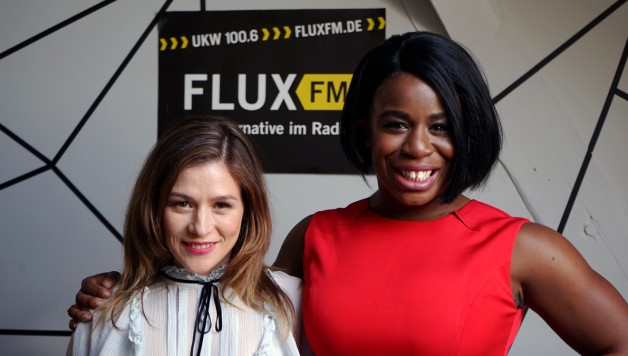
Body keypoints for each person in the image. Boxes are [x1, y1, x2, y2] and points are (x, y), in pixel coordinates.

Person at [69, 32, 628, 355]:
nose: (417, 147)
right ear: (365, 128)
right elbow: (223, 301)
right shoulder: (317, 235)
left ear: (469, 131)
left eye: (440, 126)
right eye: (395, 123)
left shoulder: (521, 248)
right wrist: (122, 290)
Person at [67, 117, 301, 355]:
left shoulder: (292, 302)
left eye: (221, 205)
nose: (200, 228)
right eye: (182, 204)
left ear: (248, 210)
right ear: (154, 208)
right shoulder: (104, 309)